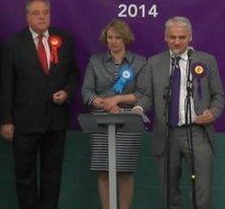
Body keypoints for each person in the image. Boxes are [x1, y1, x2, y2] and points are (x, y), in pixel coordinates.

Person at [0, 0, 79, 208]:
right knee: (25, 176)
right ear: (27, 17)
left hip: (55, 121)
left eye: (45, 12)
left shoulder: (64, 40)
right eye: (36, 13)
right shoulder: (13, 44)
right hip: (24, 122)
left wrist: (66, 92)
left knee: (52, 176)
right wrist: (6, 120)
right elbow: (6, 85)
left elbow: (73, 74)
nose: (42, 17)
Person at [139, 16, 224, 208]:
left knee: (202, 191)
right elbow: (147, 96)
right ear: (165, 38)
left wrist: (213, 112)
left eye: (182, 37)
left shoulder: (206, 61)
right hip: (167, 133)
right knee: (169, 192)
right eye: (173, 37)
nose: (177, 41)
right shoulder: (154, 62)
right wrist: (138, 107)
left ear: (190, 38)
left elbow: (219, 95)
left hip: (198, 132)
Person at [81, 19, 147, 209]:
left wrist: (117, 100)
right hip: (101, 119)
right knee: (103, 171)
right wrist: (103, 103)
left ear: (125, 39)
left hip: (128, 120)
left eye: (118, 37)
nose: (113, 41)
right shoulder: (95, 61)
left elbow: (143, 93)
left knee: (124, 172)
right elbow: (87, 91)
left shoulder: (139, 62)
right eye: (110, 37)